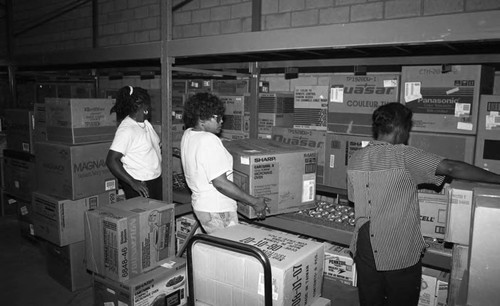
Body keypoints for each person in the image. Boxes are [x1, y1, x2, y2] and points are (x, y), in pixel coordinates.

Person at [346, 102, 500, 306]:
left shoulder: (356, 157)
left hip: (364, 245)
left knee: (370, 301)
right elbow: (451, 168)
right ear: (401, 128)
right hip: (397, 247)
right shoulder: (403, 155)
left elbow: (354, 198)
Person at [180, 92, 269, 234]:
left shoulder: (188, 134)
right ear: (202, 119)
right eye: (217, 117)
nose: (221, 121)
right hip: (218, 210)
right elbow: (221, 184)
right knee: (230, 251)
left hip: (202, 206)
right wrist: (254, 201)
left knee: (220, 249)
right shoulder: (208, 140)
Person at [106, 86, 162, 200]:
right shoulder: (127, 129)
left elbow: (150, 145)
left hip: (154, 180)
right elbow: (111, 160)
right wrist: (133, 182)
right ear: (144, 107)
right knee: (146, 216)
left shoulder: (146, 123)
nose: (151, 108)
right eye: (149, 105)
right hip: (141, 184)